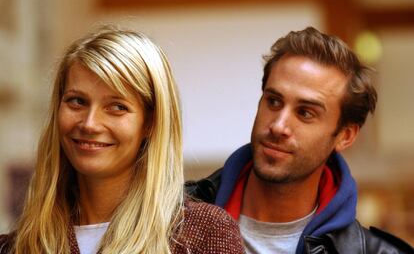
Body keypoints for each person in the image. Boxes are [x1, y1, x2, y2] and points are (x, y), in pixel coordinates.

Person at [0, 27, 245, 254]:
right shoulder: (14, 247)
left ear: (151, 122)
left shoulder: (205, 234)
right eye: (77, 101)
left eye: (117, 107)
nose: (89, 124)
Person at [187, 27, 413, 253]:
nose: (278, 126)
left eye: (305, 113)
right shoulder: (172, 221)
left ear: (345, 136)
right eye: (274, 101)